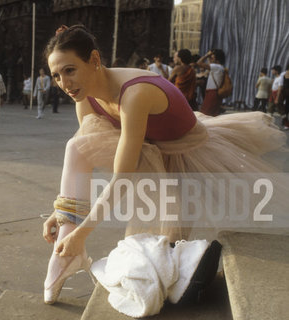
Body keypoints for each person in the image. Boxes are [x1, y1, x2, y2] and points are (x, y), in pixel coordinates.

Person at [41, 25, 286, 306]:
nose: (64, 83)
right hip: (149, 151)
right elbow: (84, 158)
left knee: (163, 259)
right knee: (76, 146)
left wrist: (83, 234)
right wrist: (62, 214)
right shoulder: (84, 99)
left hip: (188, 158)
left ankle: (189, 261)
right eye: (56, 75)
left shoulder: (135, 93)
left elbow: (123, 176)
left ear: (94, 60)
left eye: (70, 70)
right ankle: (63, 259)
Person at [196, 49, 226, 116]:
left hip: (212, 93)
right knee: (211, 114)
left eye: (212, 57)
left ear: (217, 59)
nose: (210, 59)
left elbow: (199, 63)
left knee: (206, 114)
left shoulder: (216, 67)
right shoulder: (220, 67)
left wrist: (206, 55)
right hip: (213, 92)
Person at [275, 64, 289, 130]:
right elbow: (280, 86)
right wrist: (277, 97)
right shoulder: (283, 74)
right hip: (284, 92)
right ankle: (285, 121)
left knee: (287, 108)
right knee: (279, 105)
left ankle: (285, 122)